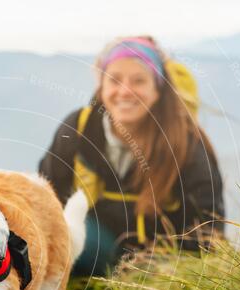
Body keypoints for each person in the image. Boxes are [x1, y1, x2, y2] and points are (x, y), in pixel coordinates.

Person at [39, 36, 224, 275]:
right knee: (70, 235)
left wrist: (165, 272)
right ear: (101, 87)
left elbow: (209, 230)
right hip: (96, 249)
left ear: (158, 89)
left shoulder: (186, 143)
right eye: (114, 80)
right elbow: (46, 197)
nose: (125, 91)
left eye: (138, 80)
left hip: (162, 265)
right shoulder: (78, 128)